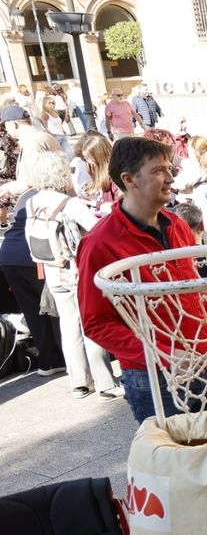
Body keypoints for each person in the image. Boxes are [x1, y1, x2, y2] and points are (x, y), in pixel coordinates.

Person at [77, 137, 207, 423]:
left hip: (204, 360)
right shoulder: (99, 243)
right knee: (173, 462)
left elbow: (192, 293)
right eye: (158, 171)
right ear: (129, 179)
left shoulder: (177, 224)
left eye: (170, 169)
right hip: (152, 376)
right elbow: (96, 323)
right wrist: (162, 352)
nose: (170, 178)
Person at [26, 153, 121, 400]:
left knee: (68, 326)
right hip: (77, 270)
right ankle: (104, 383)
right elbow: (96, 230)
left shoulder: (32, 202)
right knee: (91, 322)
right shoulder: (70, 203)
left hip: (52, 270)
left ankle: (79, 381)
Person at [0, 184, 66, 377]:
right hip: (35, 256)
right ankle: (65, 357)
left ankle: (47, 362)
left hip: (9, 257)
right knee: (53, 307)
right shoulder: (52, 197)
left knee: (33, 311)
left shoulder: (26, 197)